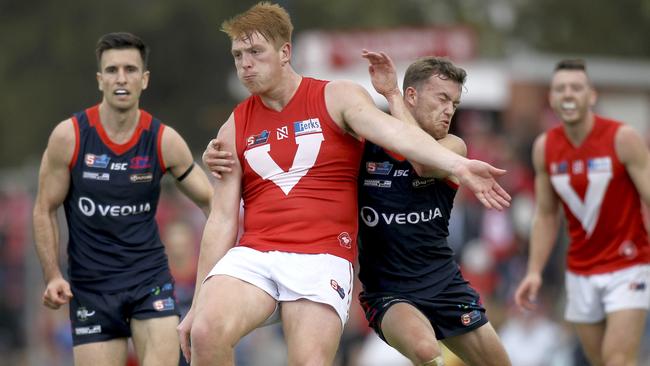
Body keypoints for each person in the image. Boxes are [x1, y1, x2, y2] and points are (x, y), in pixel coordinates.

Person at [178, 2, 511, 365]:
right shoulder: (234, 125)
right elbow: (222, 219)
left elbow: (396, 136)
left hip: (322, 257)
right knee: (205, 332)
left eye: (255, 51)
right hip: (258, 253)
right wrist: (197, 304)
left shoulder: (336, 96)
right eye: (238, 54)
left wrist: (458, 165)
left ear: (285, 52)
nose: (245, 63)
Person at [32, 32, 213, 366]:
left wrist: (220, 271)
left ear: (144, 80)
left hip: (149, 281)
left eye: (130, 69)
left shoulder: (164, 140)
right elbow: (44, 208)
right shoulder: (69, 137)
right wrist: (52, 275)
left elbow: (213, 204)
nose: (121, 78)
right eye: (112, 70)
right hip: (91, 288)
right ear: (100, 80)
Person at [514, 59, 650, 366]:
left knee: (618, 360)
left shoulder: (622, 138)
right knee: (599, 361)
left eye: (576, 87)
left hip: (629, 265)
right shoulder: (545, 148)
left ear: (592, 96)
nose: (568, 94)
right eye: (561, 88)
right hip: (580, 270)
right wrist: (534, 271)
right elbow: (547, 215)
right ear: (551, 98)